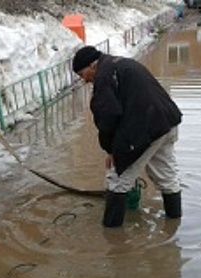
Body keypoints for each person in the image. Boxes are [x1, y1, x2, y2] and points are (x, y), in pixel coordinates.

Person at [72, 45, 182, 228]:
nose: (84, 81)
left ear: (92, 66)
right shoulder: (123, 63)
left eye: (82, 75)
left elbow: (107, 116)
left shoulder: (104, 76)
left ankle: (113, 239)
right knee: (166, 176)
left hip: (146, 128)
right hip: (167, 122)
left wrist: (111, 150)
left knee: (117, 179)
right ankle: (175, 222)